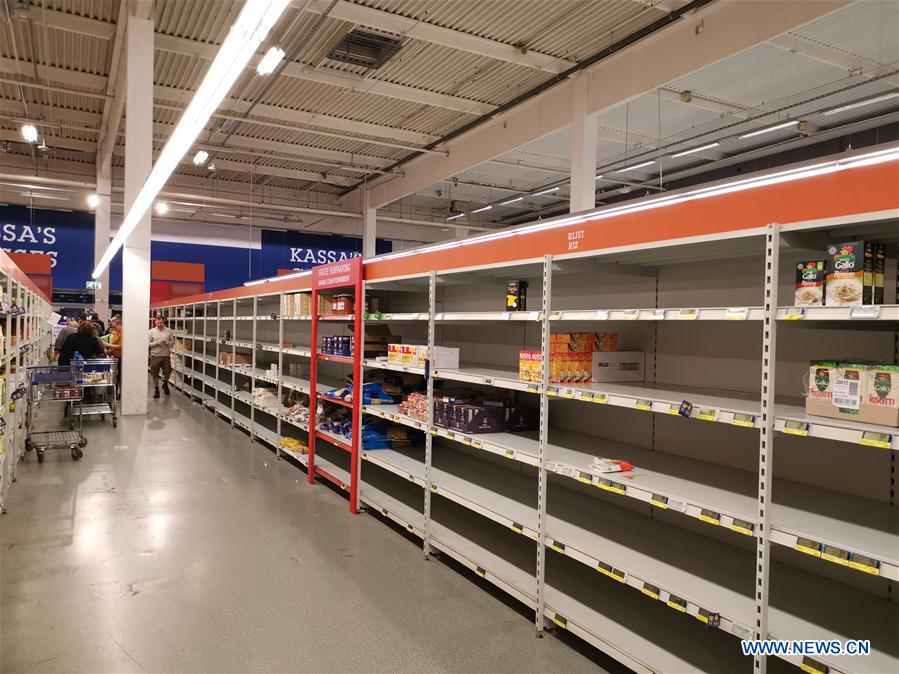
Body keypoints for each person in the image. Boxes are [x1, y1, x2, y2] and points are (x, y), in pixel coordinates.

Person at [148, 316, 175, 398]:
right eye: (158, 322)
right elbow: (148, 343)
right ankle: (156, 390)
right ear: (155, 322)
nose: (159, 324)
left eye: (161, 322)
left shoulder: (169, 331)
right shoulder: (151, 332)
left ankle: (165, 383)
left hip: (166, 355)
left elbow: (172, 342)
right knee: (155, 374)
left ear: (164, 322)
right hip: (155, 355)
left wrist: (167, 343)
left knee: (168, 372)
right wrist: (156, 343)